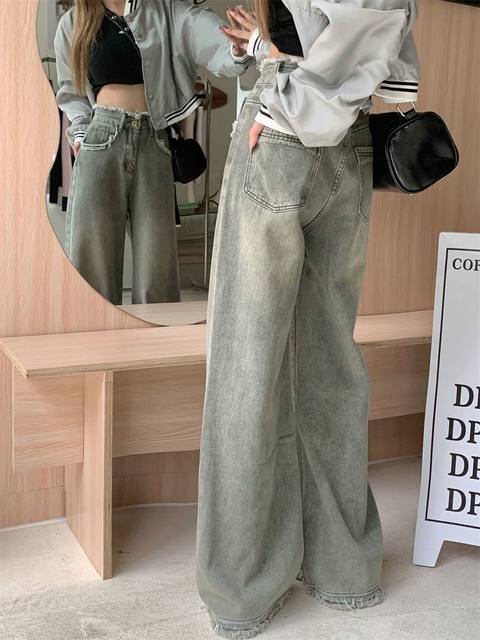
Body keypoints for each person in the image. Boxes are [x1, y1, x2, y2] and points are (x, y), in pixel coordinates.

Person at [195, 1, 420, 638]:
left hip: (286, 128)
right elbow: (364, 29)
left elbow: (353, 21)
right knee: (329, 358)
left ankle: (241, 587)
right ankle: (344, 568)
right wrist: (264, 50)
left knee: (246, 365)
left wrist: (275, 95)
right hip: (347, 137)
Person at [53, 0, 257, 305]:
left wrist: (237, 48)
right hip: (101, 139)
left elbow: (208, 36)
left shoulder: (165, 11)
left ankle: (153, 336)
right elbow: (72, 90)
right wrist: (81, 134)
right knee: (92, 262)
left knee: (157, 267)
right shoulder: (74, 21)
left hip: (154, 138)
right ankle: (94, 334)